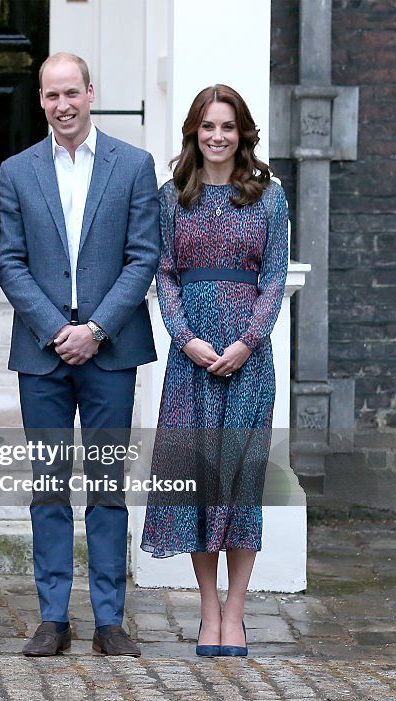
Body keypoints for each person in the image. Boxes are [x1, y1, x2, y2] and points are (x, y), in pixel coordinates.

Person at [0, 52, 159, 657]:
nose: (62, 105)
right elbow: (7, 261)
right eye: (51, 95)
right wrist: (53, 328)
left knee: (109, 485)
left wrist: (96, 329)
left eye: (72, 93)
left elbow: (143, 257)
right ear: (40, 100)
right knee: (48, 486)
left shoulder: (134, 166)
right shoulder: (15, 171)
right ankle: (53, 616)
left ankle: (110, 618)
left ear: (91, 91)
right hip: (42, 354)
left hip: (110, 353)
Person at [140, 85, 289, 658]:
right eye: (207, 127)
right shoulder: (172, 196)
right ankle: (207, 610)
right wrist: (188, 339)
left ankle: (237, 611)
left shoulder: (269, 197)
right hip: (191, 362)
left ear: (242, 131)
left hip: (249, 364)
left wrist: (249, 341)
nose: (218, 137)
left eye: (227, 126)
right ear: (193, 133)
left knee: (241, 485)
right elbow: (167, 276)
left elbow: (274, 276)